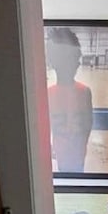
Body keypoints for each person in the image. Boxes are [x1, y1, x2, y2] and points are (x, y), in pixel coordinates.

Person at [46, 26, 93, 172]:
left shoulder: (84, 92)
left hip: (75, 155)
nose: (77, 63)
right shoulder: (48, 94)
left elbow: (87, 125)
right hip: (64, 154)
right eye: (73, 58)